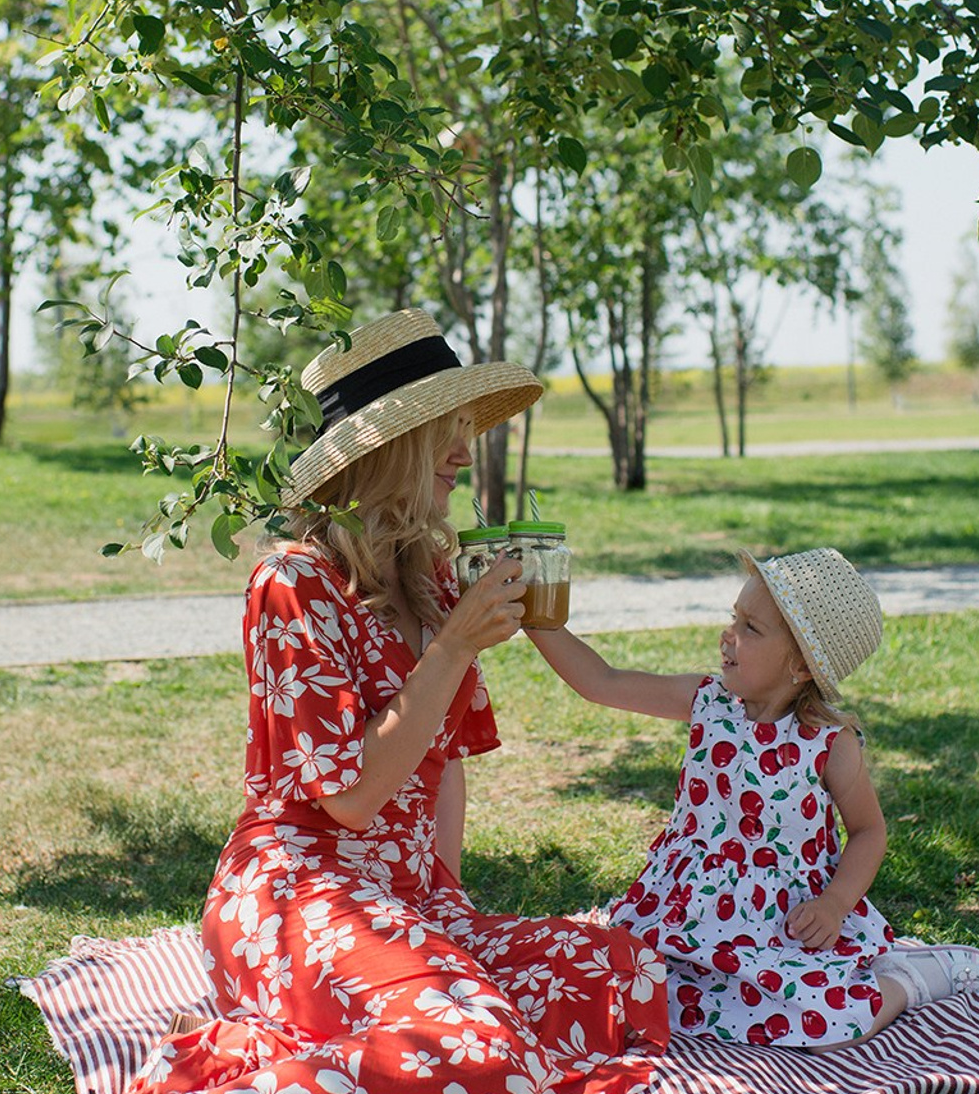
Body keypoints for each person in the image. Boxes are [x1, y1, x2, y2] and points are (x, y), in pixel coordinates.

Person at [129, 308, 669, 1094]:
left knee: (617, 967)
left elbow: (443, 761)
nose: (463, 451)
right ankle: (232, 1061)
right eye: (442, 431)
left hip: (407, 893)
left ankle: (328, 1032)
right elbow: (350, 799)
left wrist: (445, 909)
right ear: (386, 448)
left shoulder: (433, 578)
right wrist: (451, 648)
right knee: (478, 1055)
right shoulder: (292, 584)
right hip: (299, 890)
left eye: (462, 427)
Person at [524, 546, 979, 1052]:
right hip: (685, 911)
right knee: (627, 994)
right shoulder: (707, 701)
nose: (729, 635)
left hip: (779, 925)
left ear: (799, 664)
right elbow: (603, 682)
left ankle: (911, 978)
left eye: (751, 628)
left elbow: (869, 831)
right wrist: (535, 619)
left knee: (827, 1026)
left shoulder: (828, 744)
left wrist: (836, 904)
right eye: (735, 618)